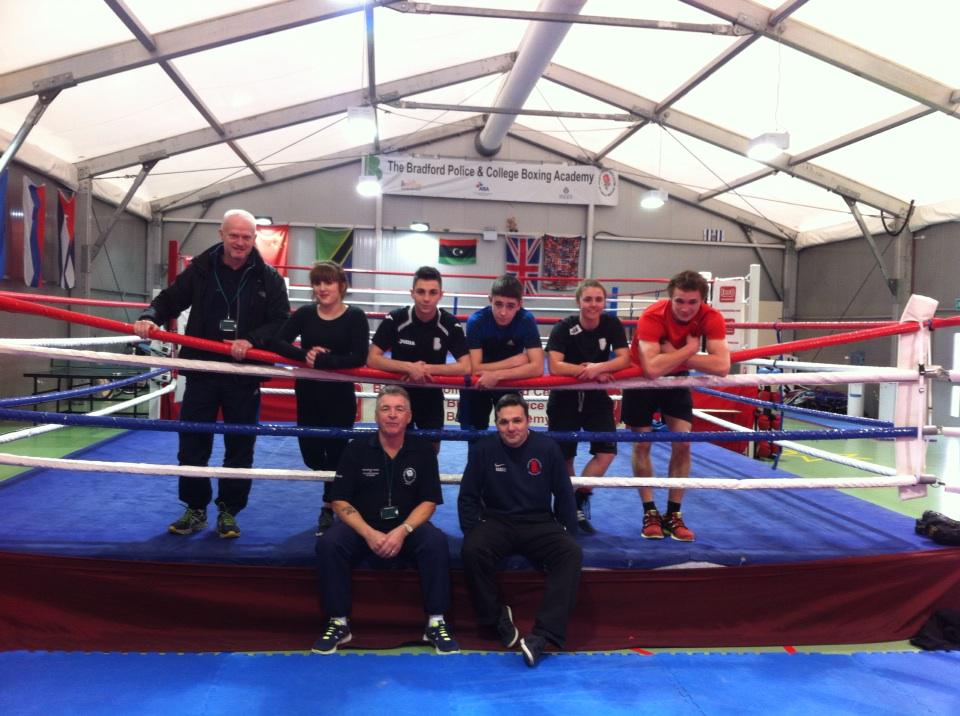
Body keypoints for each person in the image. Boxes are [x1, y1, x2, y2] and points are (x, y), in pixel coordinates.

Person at [133, 209, 291, 539]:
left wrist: (253, 341)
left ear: (254, 239)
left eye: (247, 237)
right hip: (203, 370)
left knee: (240, 446)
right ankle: (195, 507)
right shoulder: (202, 270)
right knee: (192, 441)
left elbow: (281, 323)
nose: (240, 242)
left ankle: (229, 512)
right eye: (234, 235)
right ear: (221, 234)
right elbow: (170, 300)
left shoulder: (268, 278)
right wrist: (150, 317)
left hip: (244, 374)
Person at [312, 385, 458, 655]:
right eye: (386, 409)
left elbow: (429, 502)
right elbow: (339, 501)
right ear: (376, 415)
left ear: (409, 416)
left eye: (399, 409)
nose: (392, 415)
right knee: (329, 543)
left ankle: (436, 621)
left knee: (436, 542)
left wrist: (402, 531)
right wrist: (369, 533)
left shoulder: (423, 450)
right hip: (363, 525)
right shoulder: (356, 449)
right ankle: (338, 622)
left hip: (407, 525)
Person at [459, 393, 582, 668]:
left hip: (539, 522)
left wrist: (567, 533)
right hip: (497, 521)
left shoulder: (548, 448)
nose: (511, 427)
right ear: (496, 423)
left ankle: (543, 635)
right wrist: (473, 531)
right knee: (472, 549)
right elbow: (467, 496)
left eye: (517, 420)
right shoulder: (484, 449)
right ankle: (496, 618)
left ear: (528, 421)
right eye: (504, 422)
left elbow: (564, 495)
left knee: (570, 553)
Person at [622, 270, 731, 542]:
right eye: (679, 301)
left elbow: (722, 366)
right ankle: (649, 511)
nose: (685, 308)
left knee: (683, 443)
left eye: (692, 302)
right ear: (670, 298)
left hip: (677, 378)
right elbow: (651, 369)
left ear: (702, 302)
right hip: (639, 380)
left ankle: (673, 514)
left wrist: (674, 356)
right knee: (642, 443)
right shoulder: (652, 316)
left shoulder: (711, 317)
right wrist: (689, 351)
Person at [271, 261, 369, 536]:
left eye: (328, 282)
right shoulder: (305, 314)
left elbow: (359, 356)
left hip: (339, 395)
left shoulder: (355, 317)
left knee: (337, 453)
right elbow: (278, 342)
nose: (322, 288)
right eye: (317, 283)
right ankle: (341, 494)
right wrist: (306, 356)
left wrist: (328, 361)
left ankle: (330, 505)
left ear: (341, 285)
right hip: (308, 392)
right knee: (312, 456)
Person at [545, 279, 631, 534]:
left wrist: (600, 368)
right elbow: (556, 366)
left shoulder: (611, 324)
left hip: (596, 396)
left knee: (607, 451)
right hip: (565, 397)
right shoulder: (563, 328)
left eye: (598, 299)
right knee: (565, 455)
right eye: (588, 299)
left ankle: (576, 499)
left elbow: (625, 359)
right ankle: (569, 508)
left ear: (604, 302)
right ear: (578, 302)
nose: (593, 305)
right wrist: (593, 372)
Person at [367, 266, 471, 449]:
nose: (426, 298)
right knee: (393, 449)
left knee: (431, 453)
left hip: (431, 396)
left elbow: (465, 366)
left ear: (441, 294)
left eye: (433, 292)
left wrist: (426, 369)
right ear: (412, 293)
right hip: (397, 396)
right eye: (421, 291)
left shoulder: (449, 324)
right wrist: (408, 367)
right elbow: (373, 358)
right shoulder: (396, 319)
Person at [459, 274, 543, 433]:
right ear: (490, 299)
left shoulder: (526, 320)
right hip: (479, 383)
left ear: (520, 304)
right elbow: (476, 368)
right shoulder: (476, 321)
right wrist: (513, 362)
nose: (503, 312)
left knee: (512, 433)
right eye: (498, 304)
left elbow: (537, 368)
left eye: (510, 306)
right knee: (474, 437)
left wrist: (497, 375)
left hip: (509, 382)